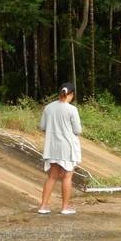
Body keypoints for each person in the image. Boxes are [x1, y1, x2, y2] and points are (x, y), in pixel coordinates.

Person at [37, 82, 82, 215]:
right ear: (71, 94)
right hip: (66, 147)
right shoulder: (72, 109)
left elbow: (43, 126)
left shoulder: (48, 107)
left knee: (51, 176)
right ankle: (65, 207)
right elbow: (77, 130)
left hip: (51, 147)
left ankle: (43, 206)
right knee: (67, 177)